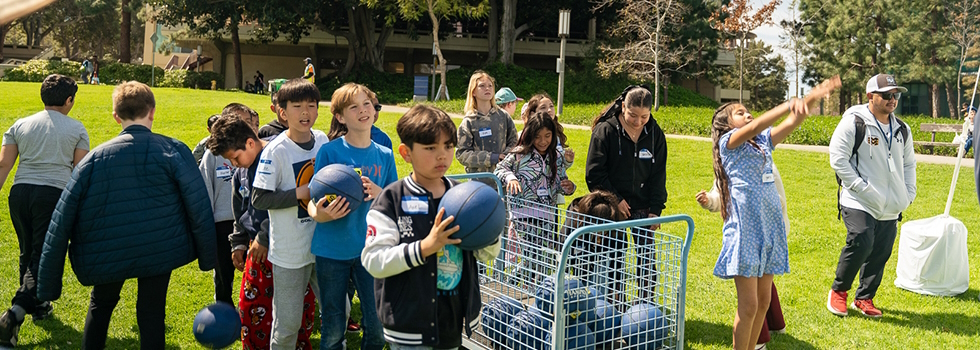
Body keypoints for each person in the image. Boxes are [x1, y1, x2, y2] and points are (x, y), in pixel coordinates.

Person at [36, 81, 217, 349]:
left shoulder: (94, 159)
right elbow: (198, 203)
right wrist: (209, 256)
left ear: (116, 117)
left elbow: (61, 220)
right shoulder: (173, 150)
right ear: (152, 111)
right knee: (152, 310)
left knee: (101, 305)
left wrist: (48, 282)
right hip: (159, 246)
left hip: (108, 248)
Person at [711, 77, 839, 350]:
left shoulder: (762, 143)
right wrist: (786, 104)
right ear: (726, 124)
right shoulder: (728, 144)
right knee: (748, 306)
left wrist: (814, 96)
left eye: (748, 111)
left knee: (764, 303)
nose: (748, 115)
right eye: (740, 113)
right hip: (746, 231)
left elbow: (791, 123)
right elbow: (759, 124)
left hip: (769, 229)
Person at [362, 104, 501, 349]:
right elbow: (374, 260)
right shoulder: (392, 199)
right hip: (409, 327)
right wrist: (425, 247)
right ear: (406, 153)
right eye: (430, 147)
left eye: (448, 146)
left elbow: (486, 254)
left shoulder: (463, 197)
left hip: (451, 323)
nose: (442, 155)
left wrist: (489, 232)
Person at [206, 116, 317, 350]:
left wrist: (263, 236)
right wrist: (238, 242)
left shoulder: (277, 156)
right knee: (252, 309)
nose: (235, 165)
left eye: (235, 158)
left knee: (294, 309)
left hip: (288, 247)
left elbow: (281, 202)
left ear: (249, 143)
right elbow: (241, 208)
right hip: (257, 253)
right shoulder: (242, 171)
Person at [0, 74, 90, 347]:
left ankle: (38, 305)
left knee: (29, 251)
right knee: (44, 256)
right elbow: (80, 172)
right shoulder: (76, 128)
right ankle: (14, 314)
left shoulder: (20, 124)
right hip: (52, 195)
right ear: (69, 100)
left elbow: (4, 165)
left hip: (20, 193)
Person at [307, 83, 395, 350]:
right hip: (331, 249)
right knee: (333, 327)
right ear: (340, 117)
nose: (363, 110)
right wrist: (319, 213)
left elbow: (394, 203)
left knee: (378, 326)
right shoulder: (329, 152)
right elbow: (314, 198)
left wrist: (380, 192)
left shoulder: (385, 154)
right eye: (353, 107)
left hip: (371, 249)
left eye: (366, 104)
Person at [827, 73, 916, 318]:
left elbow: (909, 164)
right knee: (862, 240)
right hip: (858, 199)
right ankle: (839, 291)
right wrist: (860, 187)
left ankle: (864, 298)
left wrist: (908, 194)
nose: (892, 99)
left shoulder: (901, 129)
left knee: (881, 252)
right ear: (870, 96)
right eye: (886, 95)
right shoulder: (854, 122)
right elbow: (838, 159)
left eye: (895, 95)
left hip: (891, 204)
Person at [250, 78, 329, 349]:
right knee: (287, 326)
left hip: (324, 244)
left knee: (337, 311)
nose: (305, 112)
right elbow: (258, 198)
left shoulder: (323, 140)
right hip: (289, 253)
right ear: (282, 113)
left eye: (311, 105)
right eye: (297, 106)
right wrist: (301, 192)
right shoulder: (275, 151)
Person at [585, 85, 664, 300]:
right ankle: (613, 304)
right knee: (614, 257)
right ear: (622, 107)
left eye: (644, 117)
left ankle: (645, 305)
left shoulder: (655, 134)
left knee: (647, 260)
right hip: (612, 208)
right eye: (632, 115)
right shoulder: (605, 131)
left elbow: (658, 176)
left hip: (642, 205)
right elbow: (594, 174)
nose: (638, 122)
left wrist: (655, 210)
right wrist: (615, 200)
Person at [696, 169, 788, 350]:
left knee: (763, 300)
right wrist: (709, 201)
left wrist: (764, 203)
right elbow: (720, 195)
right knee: (750, 304)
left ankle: (759, 341)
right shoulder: (729, 159)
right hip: (745, 240)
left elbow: (779, 199)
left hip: (770, 235)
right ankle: (756, 342)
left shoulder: (764, 157)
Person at [494, 112, 576, 287]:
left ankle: (534, 290)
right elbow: (499, 169)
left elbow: (561, 181)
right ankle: (508, 285)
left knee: (544, 258)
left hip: (547, 215)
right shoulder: (519, 154)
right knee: (530, 256)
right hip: (522, 214)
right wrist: (510, 177)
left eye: (547, 136)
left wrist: (570, 187)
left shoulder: (557, 157)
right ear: (530, 135)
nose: (543, 141)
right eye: (538, 136)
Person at [201, 103, 261, 307]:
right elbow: (206, 186)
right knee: (224, 270)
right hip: (222, 221)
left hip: (252, 226)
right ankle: (224, 307)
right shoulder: (213, 154)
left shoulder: (261, 157)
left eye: (248, 122)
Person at [455, 71, 518, 187]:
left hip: (503, 182)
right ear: (473, 91)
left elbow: (515, 142)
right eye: (482, 86)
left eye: (490, 86)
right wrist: (491, 157)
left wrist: (505, 157)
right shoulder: (469, 121)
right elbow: (461, 154)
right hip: (478, 184)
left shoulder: (503, 116)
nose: (487, 89)